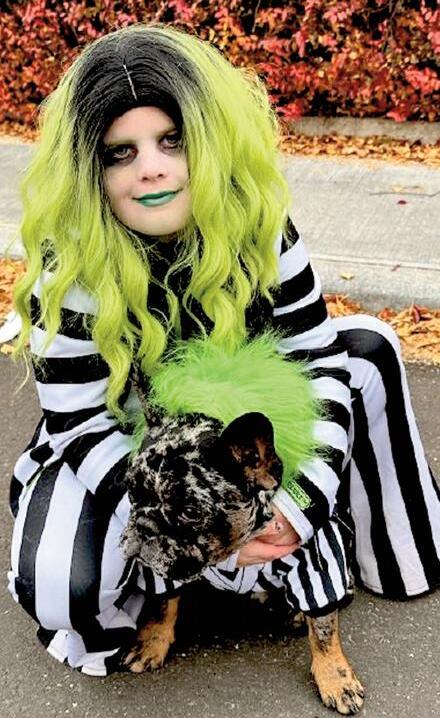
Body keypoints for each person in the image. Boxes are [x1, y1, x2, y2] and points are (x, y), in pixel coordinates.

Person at [8, 24, 440, 677]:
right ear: (88, 169)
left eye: (173, 140)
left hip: (249, 424)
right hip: (132, 445)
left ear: (209, 140)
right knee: (58, 586)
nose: (151, 167)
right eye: (120, 152)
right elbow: (80, 424)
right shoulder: (68, 269)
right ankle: (185, 584)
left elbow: (317, 358)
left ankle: (381, 549)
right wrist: (193, 527)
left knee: (366, 349)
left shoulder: (258, 225)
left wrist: (299, 507)